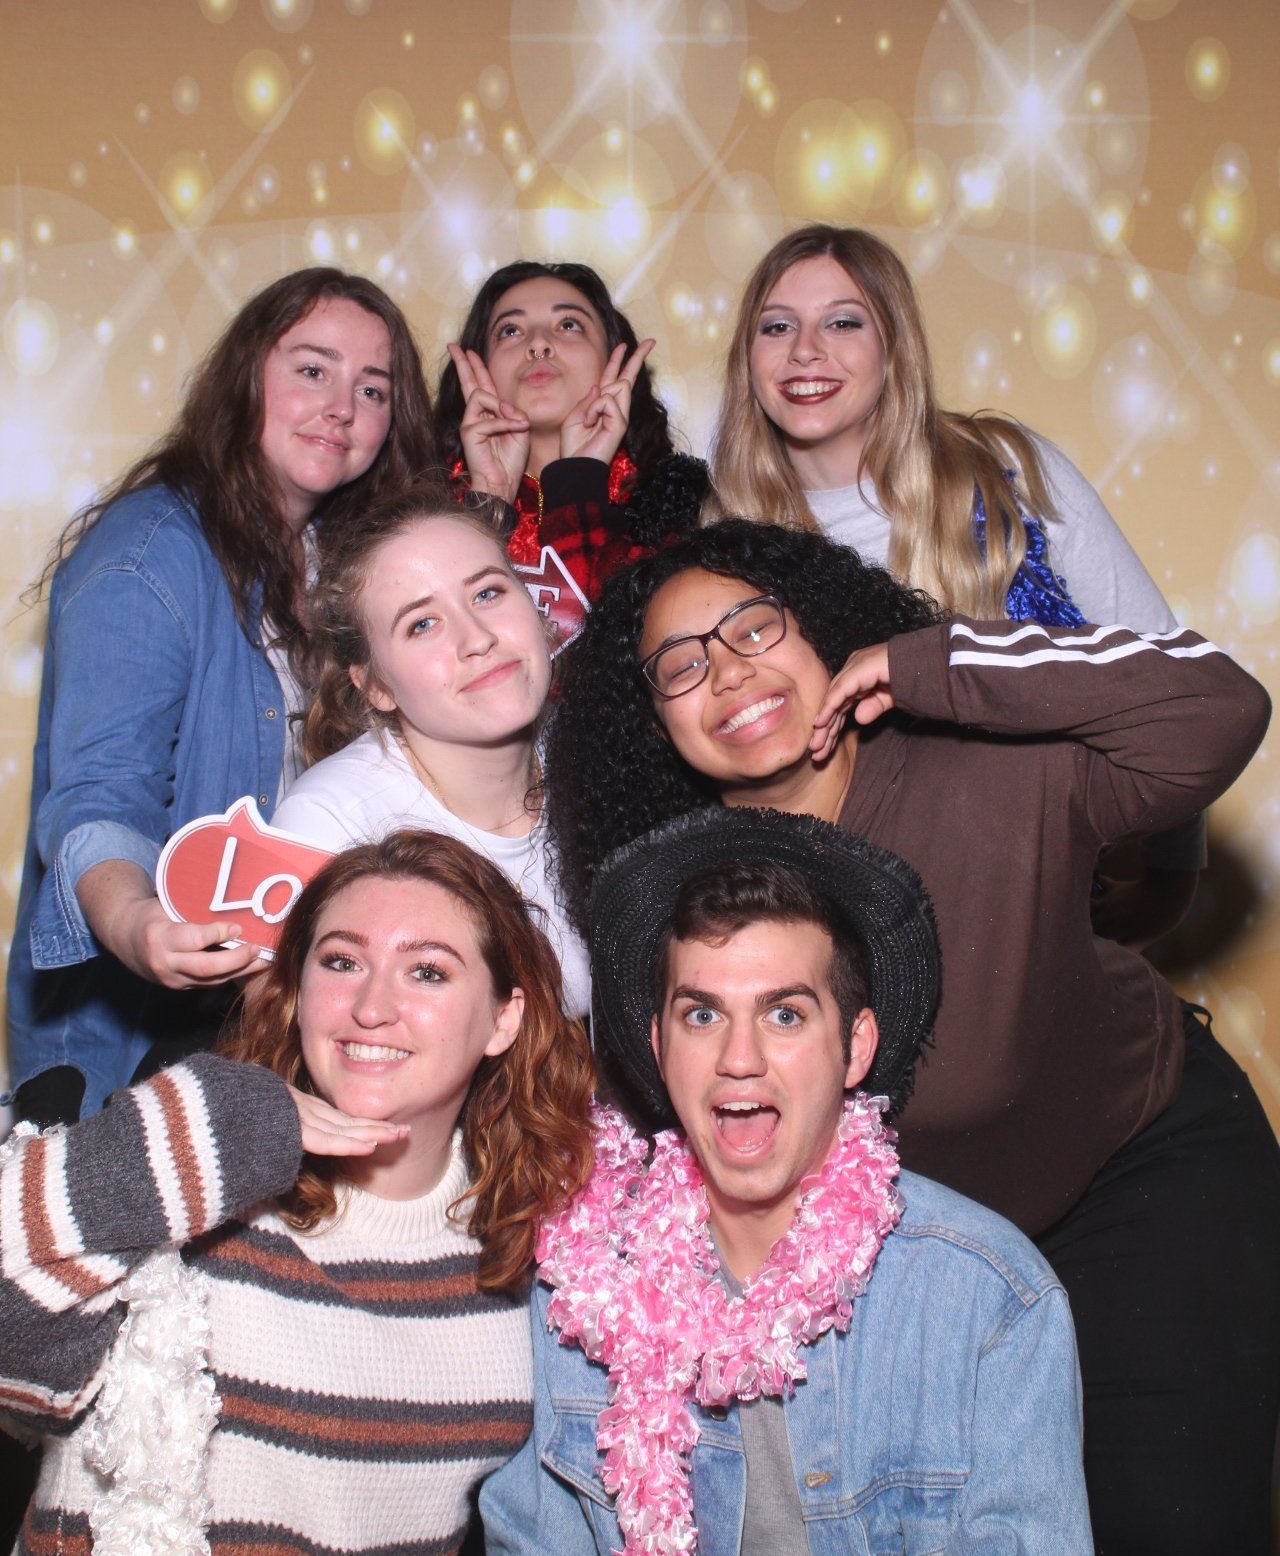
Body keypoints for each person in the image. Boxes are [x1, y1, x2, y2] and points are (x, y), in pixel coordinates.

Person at [542, 519, 1280, 1556]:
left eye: (753, 627)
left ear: (820, 631)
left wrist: (938, 662)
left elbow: (1217, 710)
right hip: (900, 1261)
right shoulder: (685, 894)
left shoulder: (987, 767)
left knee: (1169, 1545)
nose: (726, 671)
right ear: (656, 723)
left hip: (1131, 1170)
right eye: (679, 665)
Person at [475, 808, 1094, 1556]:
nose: (740, 1058)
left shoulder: (990, 1299)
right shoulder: (580, 1288)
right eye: (702, 1016)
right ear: (659, 1046)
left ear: (856, 1047)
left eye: (786, 1015)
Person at [0, 829, 595, 1556]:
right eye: (341, 961)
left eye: (427, 971)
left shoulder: (530, 1270)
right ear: (297, 988)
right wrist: (214, 1124)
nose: (371, 1006)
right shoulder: (192, 1182)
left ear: (504, 1017)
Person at [7, 268, 439, 1119]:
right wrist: (138, 922)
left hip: (271, 1013)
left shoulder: (335, 560)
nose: (342, 407)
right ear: (245, 377)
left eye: (372, 388)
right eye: (312, 369)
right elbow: (99, 792)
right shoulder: (146, 555)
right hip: (133, 1040)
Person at [710, 223, 1201, 946]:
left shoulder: (1002, 473)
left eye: (843, 322)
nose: (805, 350)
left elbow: (1161, 672)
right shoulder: (722, 539)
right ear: (746, 358)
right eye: (776, 326)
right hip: (837, 935)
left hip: (1031, 907)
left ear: (894, 346)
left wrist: (1170, 877)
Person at [273, 486, 590, 1019]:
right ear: (375, 685)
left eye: (487, 593)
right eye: (422, 624)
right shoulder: (328, 826)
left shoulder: (597, 758)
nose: (477, 638)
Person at [437, 259, 707, 647]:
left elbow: (633, 650)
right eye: (510, 331)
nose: (538, 344)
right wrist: (488, 505)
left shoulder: (675, 507)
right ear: (480, 366)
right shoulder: (427, 509)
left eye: (568, 325)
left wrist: (578, 479)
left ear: (612, 358)